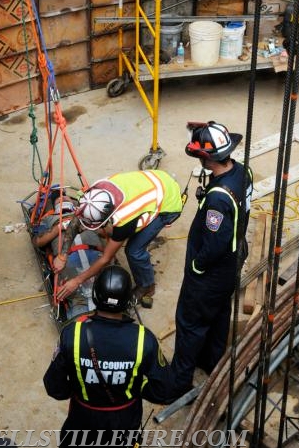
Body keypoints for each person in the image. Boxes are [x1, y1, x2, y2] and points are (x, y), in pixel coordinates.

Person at [43, 265, 173, 448]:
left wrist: (80, 387)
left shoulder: (73, 334)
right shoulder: (144, 339)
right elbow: (164, 391)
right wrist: (136, 387)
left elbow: (54, 387)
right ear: (129, 300)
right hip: (124, 425)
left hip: (82, 424)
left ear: (94, 295)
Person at [171, 121, 253, 395]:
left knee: (190, 322)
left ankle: (180, 381)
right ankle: (212, 361)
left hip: (211, 272)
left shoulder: (218, 198)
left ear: (207, 157)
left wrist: (197, 266)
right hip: (233, 264)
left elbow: (215, 243)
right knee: (218, 314)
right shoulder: (243, 172)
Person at [53, 170, 182, 308]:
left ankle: (147, 286)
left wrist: (77, 281)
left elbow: (105, 258)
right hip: (156, 179)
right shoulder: (93, 195)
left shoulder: (124, 218)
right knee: (118, 235)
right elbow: (77, 219)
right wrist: (63, 255)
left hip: (168, 202)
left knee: (134, 251)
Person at [32, 189, 106, 318]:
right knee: (77, 297)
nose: (63, 199)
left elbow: (107, 232)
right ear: (54, 206)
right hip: (68, 262)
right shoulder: (50, 219)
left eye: (66, 198)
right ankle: (80, 319)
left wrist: (89, 224)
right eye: (59, 200)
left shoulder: (88, 215)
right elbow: (38, 241)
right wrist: (59, 227)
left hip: (95, 255)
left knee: (105, 289)